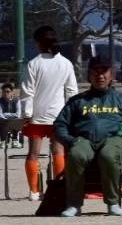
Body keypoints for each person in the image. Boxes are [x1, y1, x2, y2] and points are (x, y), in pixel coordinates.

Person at [52, 57, 122, 217]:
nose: (100, 76)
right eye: (95, 72)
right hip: (83, 140)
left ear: (111, 74)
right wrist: (70, 141)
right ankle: (74, 204)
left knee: (108, 155)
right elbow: (60, 125)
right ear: (89, 75)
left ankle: (113, 203)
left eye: (104, 72)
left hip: (113, 139)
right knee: (76, 155)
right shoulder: (77, 101)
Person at [19, 26, 79, 200]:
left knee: (33, 153)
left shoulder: (33, 64)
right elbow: (72, 91)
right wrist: (71, 113)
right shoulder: (66, 63)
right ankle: (59, 189)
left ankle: (34, 191)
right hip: (58, 116)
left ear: (39, 43)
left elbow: (27, 92)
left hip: (36, 116)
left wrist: (27, 114)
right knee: (58, 151)